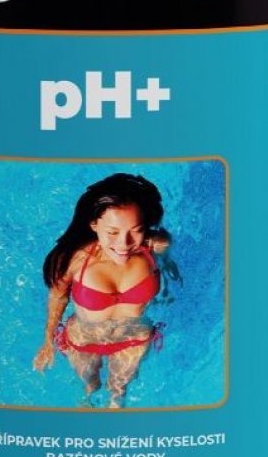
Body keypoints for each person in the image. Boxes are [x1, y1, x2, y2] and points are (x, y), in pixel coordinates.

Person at [33, 173, 170, 408]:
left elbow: (168, 265)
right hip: (84, 341)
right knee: (90, 387)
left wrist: (168, 289)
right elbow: (58, 296)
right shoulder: (74, 261)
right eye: (113, 232)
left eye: (136, 230)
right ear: (94, 225)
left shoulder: (156, 246)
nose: (124, 243)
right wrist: (47, 340)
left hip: (134, 339)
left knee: (119, 392)